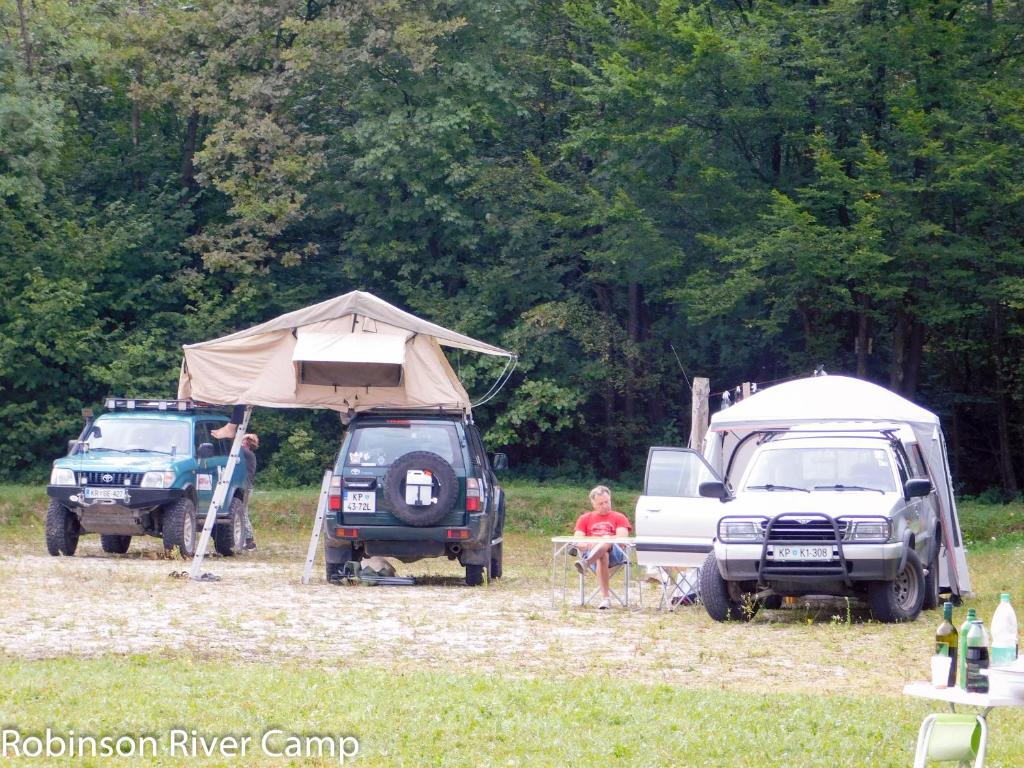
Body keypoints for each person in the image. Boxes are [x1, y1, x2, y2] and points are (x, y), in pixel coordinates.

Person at [573, 485, 632, 609]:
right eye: (601, 503)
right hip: (593, 553)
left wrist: (603, 540)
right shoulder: (585, 518)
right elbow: (578, 539)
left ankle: (586, 563)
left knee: (606, 540)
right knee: (602, 555)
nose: (605, 505)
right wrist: (584, 545)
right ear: (593, 504)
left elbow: (622, 539)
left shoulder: (619, 517)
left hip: (616, 554)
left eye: (607, 502)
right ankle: (606, 599)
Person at [239, 432, 259, 551]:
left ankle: (250, 541)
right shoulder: (248, 454)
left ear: (246, 442)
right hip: (246, 487)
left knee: (243, 513)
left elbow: (236, 449)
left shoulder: (247, 453)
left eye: (242, 440)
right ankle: (247, 540)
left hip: (245, 487)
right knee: (242, 512)